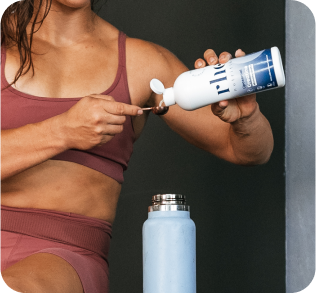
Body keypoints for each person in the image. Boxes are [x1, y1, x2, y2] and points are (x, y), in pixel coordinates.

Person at [0, 0, 274, 293]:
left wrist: (246, 119)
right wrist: (64, 130)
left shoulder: (144, 63)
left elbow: (249, 151)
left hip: (60, 257)